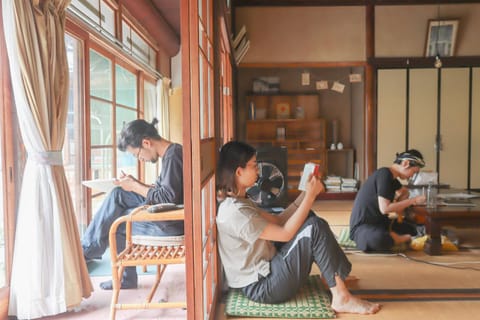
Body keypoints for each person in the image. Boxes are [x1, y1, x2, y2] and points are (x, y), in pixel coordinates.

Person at [216, 141, 380, 315]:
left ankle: (332, 275)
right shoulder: (236, 213)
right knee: (314, 228)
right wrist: (310, 196)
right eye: (254, 165)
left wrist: (304, 194)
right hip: (263, 286)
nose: (258, 170)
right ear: (239, 171)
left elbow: (279, 220)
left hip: (267, 269)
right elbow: (285, 234)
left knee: (308, 217)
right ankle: (341, 297)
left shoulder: (239, 201)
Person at [82, 118, 183, 290]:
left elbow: (167, 199)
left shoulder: (173, 156)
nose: (140, 159)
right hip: (167, 213)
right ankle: (88, 250)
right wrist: (134, 184)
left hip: (171, 223)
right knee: (119, 194)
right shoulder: (172, 152)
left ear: (146, 142)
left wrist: (135, 186)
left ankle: (87, 254)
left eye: (137, 154)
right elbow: (164, 191)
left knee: (119, 224)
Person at [349, 149, 426, 252]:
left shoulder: (392, 178)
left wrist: (400, 208)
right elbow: (385, 209)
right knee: (379, 238)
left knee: (412, 229)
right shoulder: (384, 174)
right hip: (363, 227)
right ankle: (403, 239)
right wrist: (414, 200)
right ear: (405, 163)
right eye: (414, 171)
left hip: (380, 223)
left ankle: (395, 237)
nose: (412, 175)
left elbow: (405, 192)